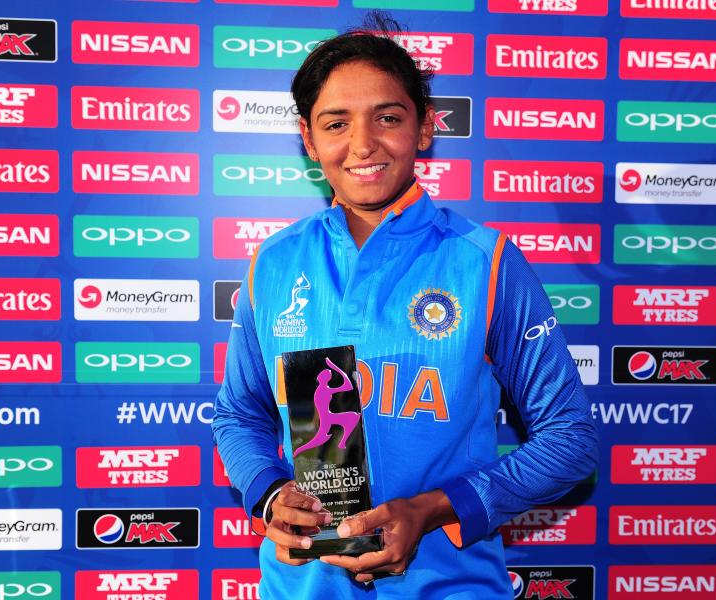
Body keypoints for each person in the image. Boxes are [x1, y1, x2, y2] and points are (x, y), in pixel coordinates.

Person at [212, 13, 598, 599]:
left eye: (388, 118)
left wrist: (432, 509)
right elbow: (239, 415)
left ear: (424, 129)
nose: (363, 145)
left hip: (451, 587)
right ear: (309, 140)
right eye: (336, 123)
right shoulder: (275, 261)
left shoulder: (485, 261)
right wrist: (269, 495)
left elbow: (569, 439)